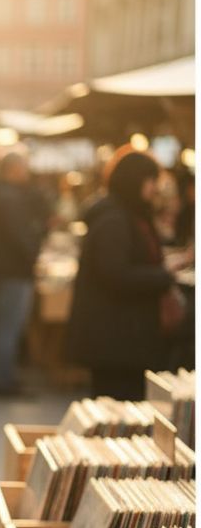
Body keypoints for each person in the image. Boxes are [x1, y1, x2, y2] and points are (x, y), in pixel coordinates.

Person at [65, 146, 188, 399]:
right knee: (119, 397)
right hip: (117, 339)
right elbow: (116, 275)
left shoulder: (125, 215)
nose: (155, 188)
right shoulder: (115, 219)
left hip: (122, 337)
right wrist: (165, 275)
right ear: (136, 180)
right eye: (151, 180)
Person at [0, 149, 47, 397]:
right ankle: (2, 382)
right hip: (12, 271)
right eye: (24, 167)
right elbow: (19, 236)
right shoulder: (9, 198)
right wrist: (34, 252)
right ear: (14, 169)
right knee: (7, 328)